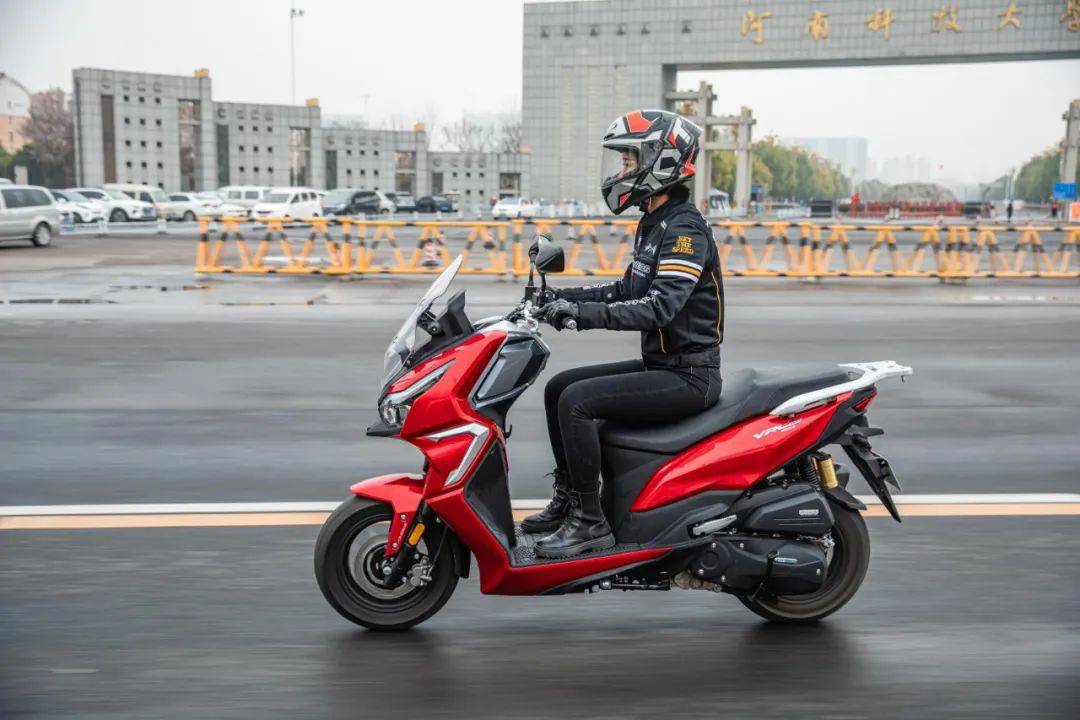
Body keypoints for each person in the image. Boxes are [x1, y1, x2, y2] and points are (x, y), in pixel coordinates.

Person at [521, 109, 724, 558]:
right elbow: (625, 289)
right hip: (664, 365)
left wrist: (581, 315)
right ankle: (570, 499)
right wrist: (557, 298)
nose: (621, 172)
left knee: (577, 402)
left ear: (661, 161)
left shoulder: (685, 229)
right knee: (559, 388)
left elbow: (659, 307)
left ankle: (589, 522)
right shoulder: (655, 222)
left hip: (690, 376)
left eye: (630, 161)